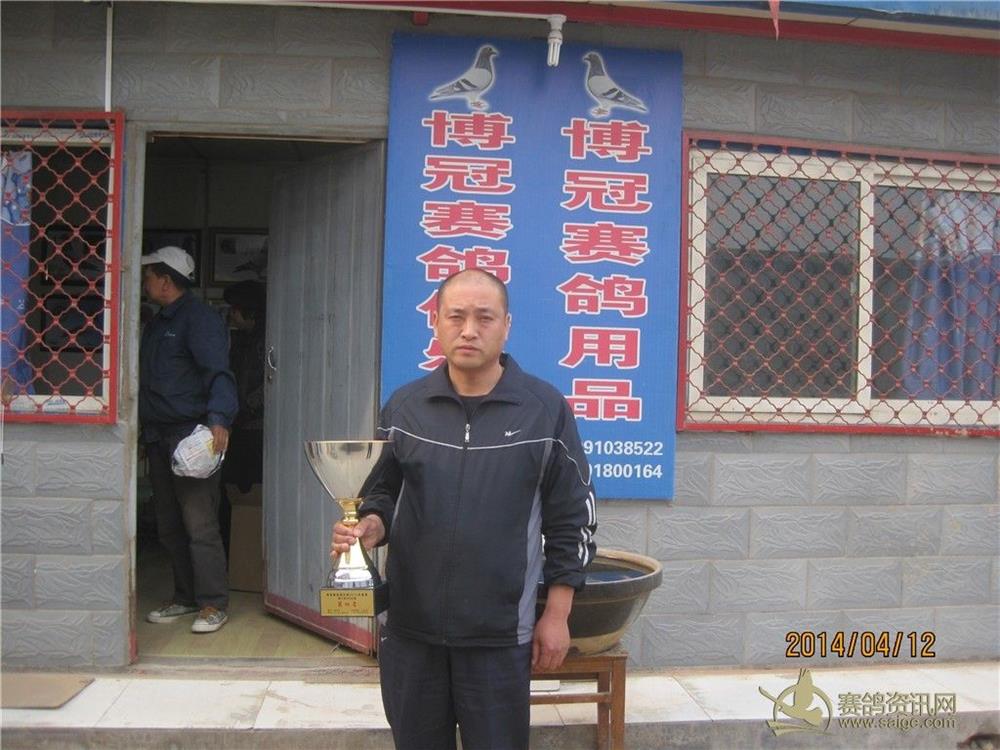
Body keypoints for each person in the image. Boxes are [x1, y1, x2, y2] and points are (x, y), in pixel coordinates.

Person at [332, 269, 598, 750]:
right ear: (435, 322)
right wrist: (369, 524)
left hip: (500, 636)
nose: (469, 330)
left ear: (507, 325)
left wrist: (557, 615)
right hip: (410, 632)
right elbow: (381, 492)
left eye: (484, 318)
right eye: (456, 316)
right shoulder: (405, 408)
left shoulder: (544, 409)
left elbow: (572, 519)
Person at [140, 246, 237, 634]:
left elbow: (219, 372)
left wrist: (219, 419)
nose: (145, 282)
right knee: (169, 524)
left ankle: (213, 603)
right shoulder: (158, 321)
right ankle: (185, 597)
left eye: (149, 276)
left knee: (199, 524)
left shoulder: (199, 319)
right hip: (158, 435)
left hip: (191, 437)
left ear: (165, 281)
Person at [219, 281, 266, 556]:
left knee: (249, 493)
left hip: (255, 429)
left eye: (235, 310)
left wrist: (246, 407)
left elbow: (268, 384)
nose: (231, 316)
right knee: (235, 493)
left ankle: (244, 556)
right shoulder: (240, 341)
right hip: (241, 425)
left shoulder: (265, 341)